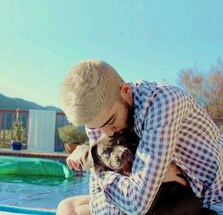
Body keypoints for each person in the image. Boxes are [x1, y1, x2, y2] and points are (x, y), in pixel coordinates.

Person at [57, 60, 223, 215]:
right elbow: (101, 205)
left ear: (126, 91)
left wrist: (95, 163)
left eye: (111, 121)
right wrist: (133, 178)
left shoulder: (163, 103)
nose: (107, 133)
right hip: (157, 197)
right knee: (67, 208)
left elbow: (135, 204)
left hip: (209, 201)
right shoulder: (99, 118)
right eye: (94, 127)